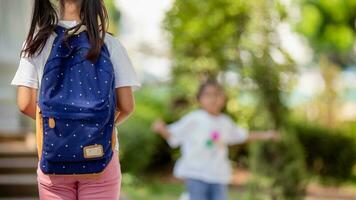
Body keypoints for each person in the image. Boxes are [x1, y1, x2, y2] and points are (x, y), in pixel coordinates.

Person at [10, 0, 140, 199]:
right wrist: (93, 128)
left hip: (55, 155)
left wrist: (60, 127)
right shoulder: (109, 43)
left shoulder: (36, 42)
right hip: (101, 156)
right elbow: (127, 106)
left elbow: (25, 104)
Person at [152, 80, 278, 200]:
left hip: (218, 174)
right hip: (196, 173)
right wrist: (161, 129)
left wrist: (267, 134)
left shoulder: (225, 122)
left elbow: (242, 135)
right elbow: (174, 136)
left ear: (224, 99)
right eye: (208, 95)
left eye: (217, 95)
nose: (213, 99)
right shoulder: (194, 119)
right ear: (199, 99)